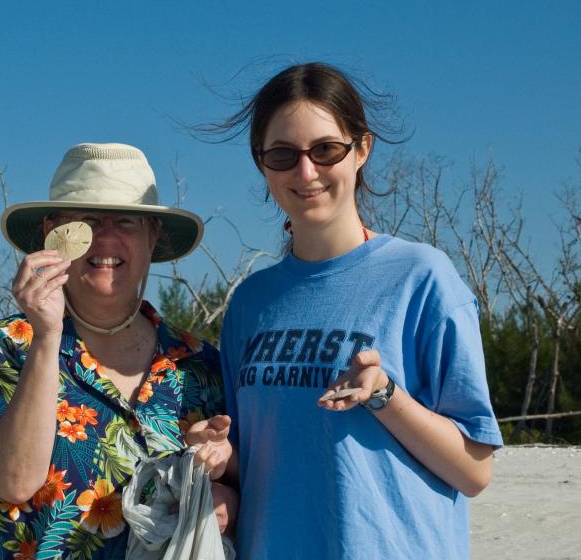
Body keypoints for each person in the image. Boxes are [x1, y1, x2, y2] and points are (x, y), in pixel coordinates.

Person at [190, 62, 504, 559]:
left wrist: (384, 395)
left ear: (362, 149)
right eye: (283, 155)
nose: (306, 171)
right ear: (262, 164)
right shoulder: (250, 303)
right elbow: (259, 466)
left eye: (325, 149)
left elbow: (475, 470)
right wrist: (219, 459)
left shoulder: (421, 277)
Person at [0, 142, 235, 559]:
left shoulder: (198, 365)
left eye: (126, 221)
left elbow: (241, 489)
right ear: (54, 232)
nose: (105, 238)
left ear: (153, 237)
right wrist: (47, 335)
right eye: (86, 221)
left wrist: (222, 467)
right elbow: (15, 481)